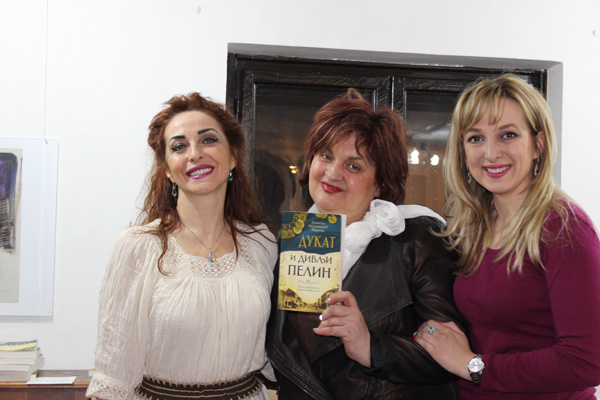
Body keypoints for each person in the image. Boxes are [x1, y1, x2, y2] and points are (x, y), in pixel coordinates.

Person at [266, 89, 465, 400]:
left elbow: (451, 353)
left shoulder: (414, 238)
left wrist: (372, 347)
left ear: (381, 183)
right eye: (326, 155)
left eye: (354, 166)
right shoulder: (289, 241)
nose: (333, 173)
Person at [414, 74, 600, 399]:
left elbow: (587, 361)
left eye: (508, 135)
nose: (491, 153)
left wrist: (474, 366)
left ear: (538, 144)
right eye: (476, 138)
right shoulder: (476, 225)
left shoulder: (562, 227)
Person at [86, 93, 278, 400]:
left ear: (233, 156)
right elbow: (114, 372)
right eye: (179, 146)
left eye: (208, 140)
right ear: (166, 168)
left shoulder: (262, 243)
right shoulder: (138, 246)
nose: (195, 154)